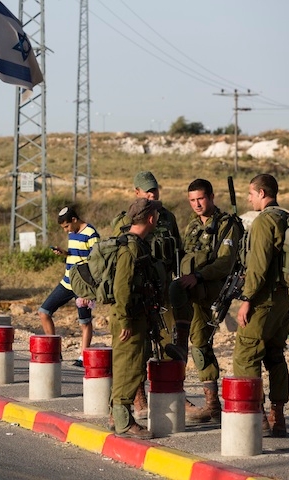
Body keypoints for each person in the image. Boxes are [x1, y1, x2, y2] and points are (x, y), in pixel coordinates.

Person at [167, 179, 242, 424]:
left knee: (200, 341)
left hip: (209, 293)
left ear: (211, 196)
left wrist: (198, 276)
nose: (197, 204)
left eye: (200, 199)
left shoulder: (226, 224)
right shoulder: (191, 225)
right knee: (178, 338)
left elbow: (225, 262)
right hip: (187, 291)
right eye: (192, 200)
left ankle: (212, 404)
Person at [111, 171, 181, 420]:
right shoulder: (126, 221)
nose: (153, 194)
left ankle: (169, 395)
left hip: (161, 292)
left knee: (166, 343)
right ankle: (136, 398)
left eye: (155, 190)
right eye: (147, 191)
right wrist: (124, 315)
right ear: (137, 193)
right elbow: (123, 277)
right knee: (135, 351)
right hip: (138, 296)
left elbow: (177, 252)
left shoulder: (167, 218)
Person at [235, 174, 289, 437]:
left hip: (263, 300)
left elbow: (257, 267)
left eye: (251, 193)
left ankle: (256, 416)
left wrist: (246, 300)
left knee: (246, 355)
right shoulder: (286, 218)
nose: (248, 198)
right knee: (276, 356)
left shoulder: (263, 222)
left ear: (262, 193)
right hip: (282, 301)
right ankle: (277, 415)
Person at [110, 198, 163, 440]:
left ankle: (117, 417)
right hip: (128, 317)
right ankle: (123, 421)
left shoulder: (137, 244)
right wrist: (125, 321)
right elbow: (122, 288)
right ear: (151, 218)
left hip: (134, 315)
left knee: (130, 364)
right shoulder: (131, 248)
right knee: (128, 367)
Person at [38, 206, 100, 367]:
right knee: (44, 312)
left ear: (74, 220)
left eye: (66, 226)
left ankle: (83, 357)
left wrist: (89, 292)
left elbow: (97, 264)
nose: (66, 230)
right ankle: (54, 351)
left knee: (84, 322)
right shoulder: (73, 233)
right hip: (67, 282)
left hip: (83, 286)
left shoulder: (91, 234)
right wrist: (65, 253)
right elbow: (76, 254)